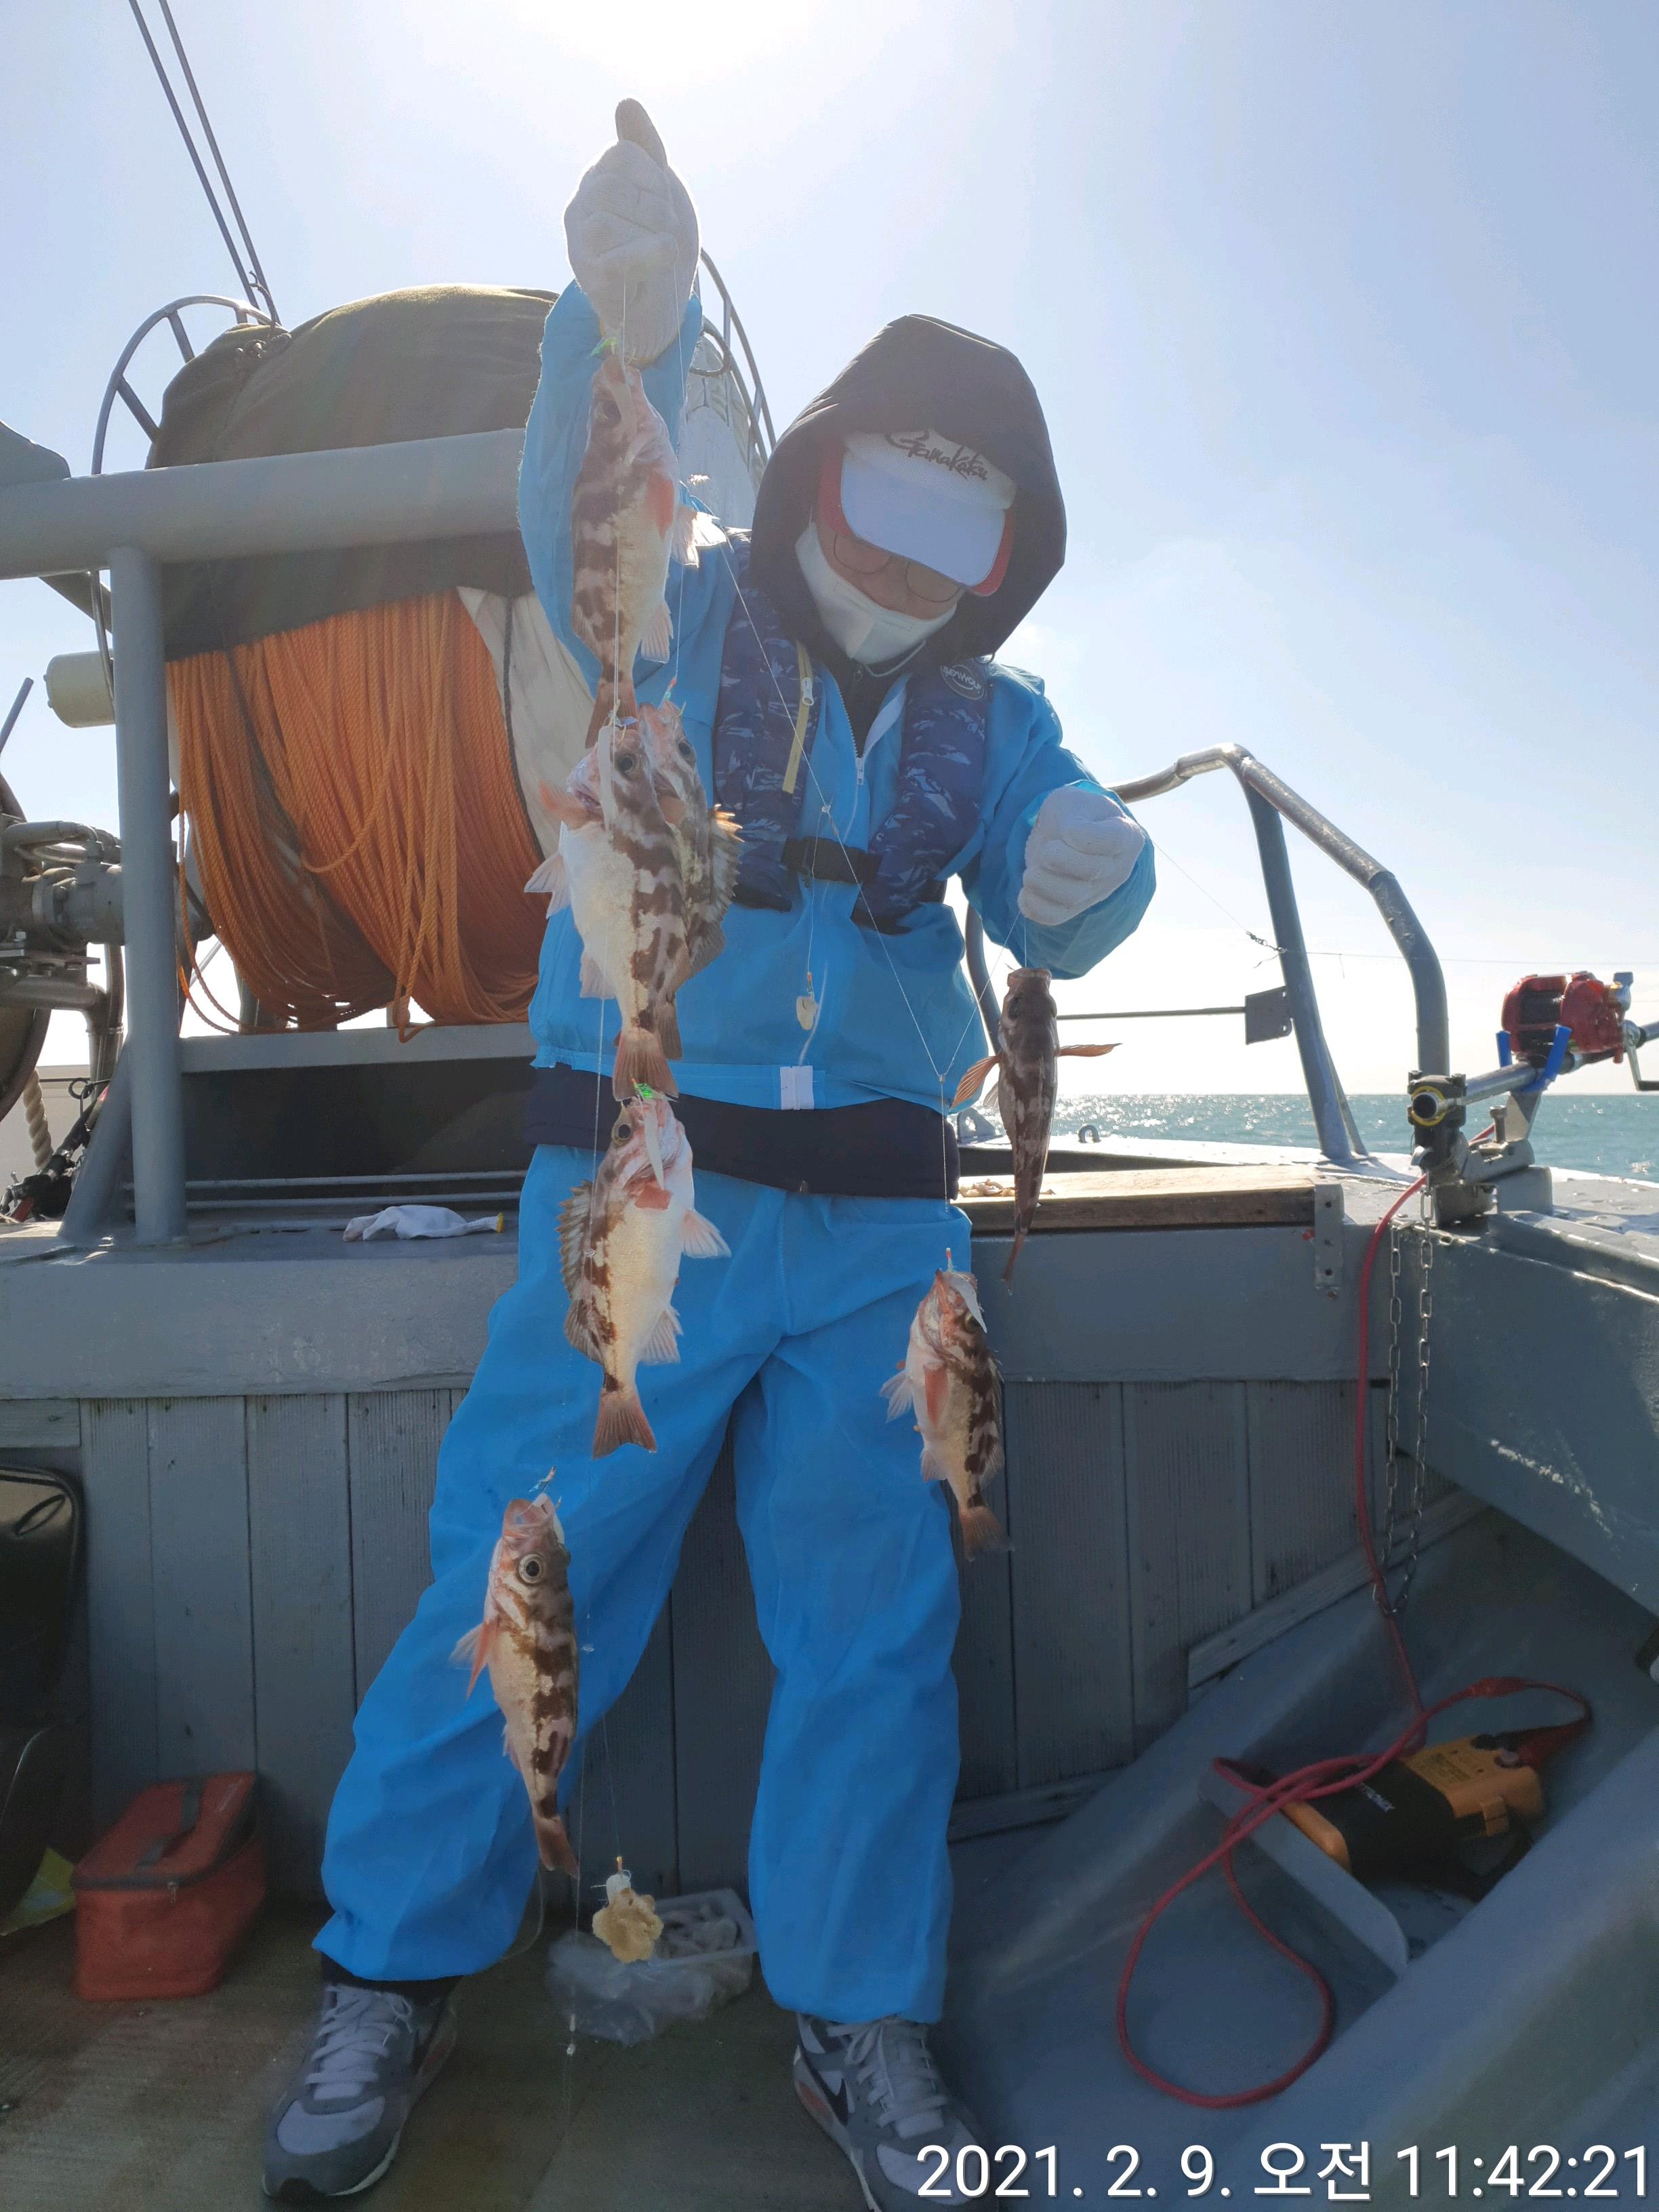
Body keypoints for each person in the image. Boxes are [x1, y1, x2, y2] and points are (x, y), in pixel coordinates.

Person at [264, 101, 1153, 2210]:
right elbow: (576, 496)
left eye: (963, 541)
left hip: (887, 1241)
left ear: (1005, 564)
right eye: (885, 506)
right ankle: (390, 1966)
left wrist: (1094, 875)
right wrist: (620, 330)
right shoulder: (669, 612)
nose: (908, 568)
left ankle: (860, 2016)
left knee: (878, 1630)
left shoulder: (999, 720)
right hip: (641, 1194)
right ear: (817, 470)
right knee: (518, 1578)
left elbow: (1070, 898)